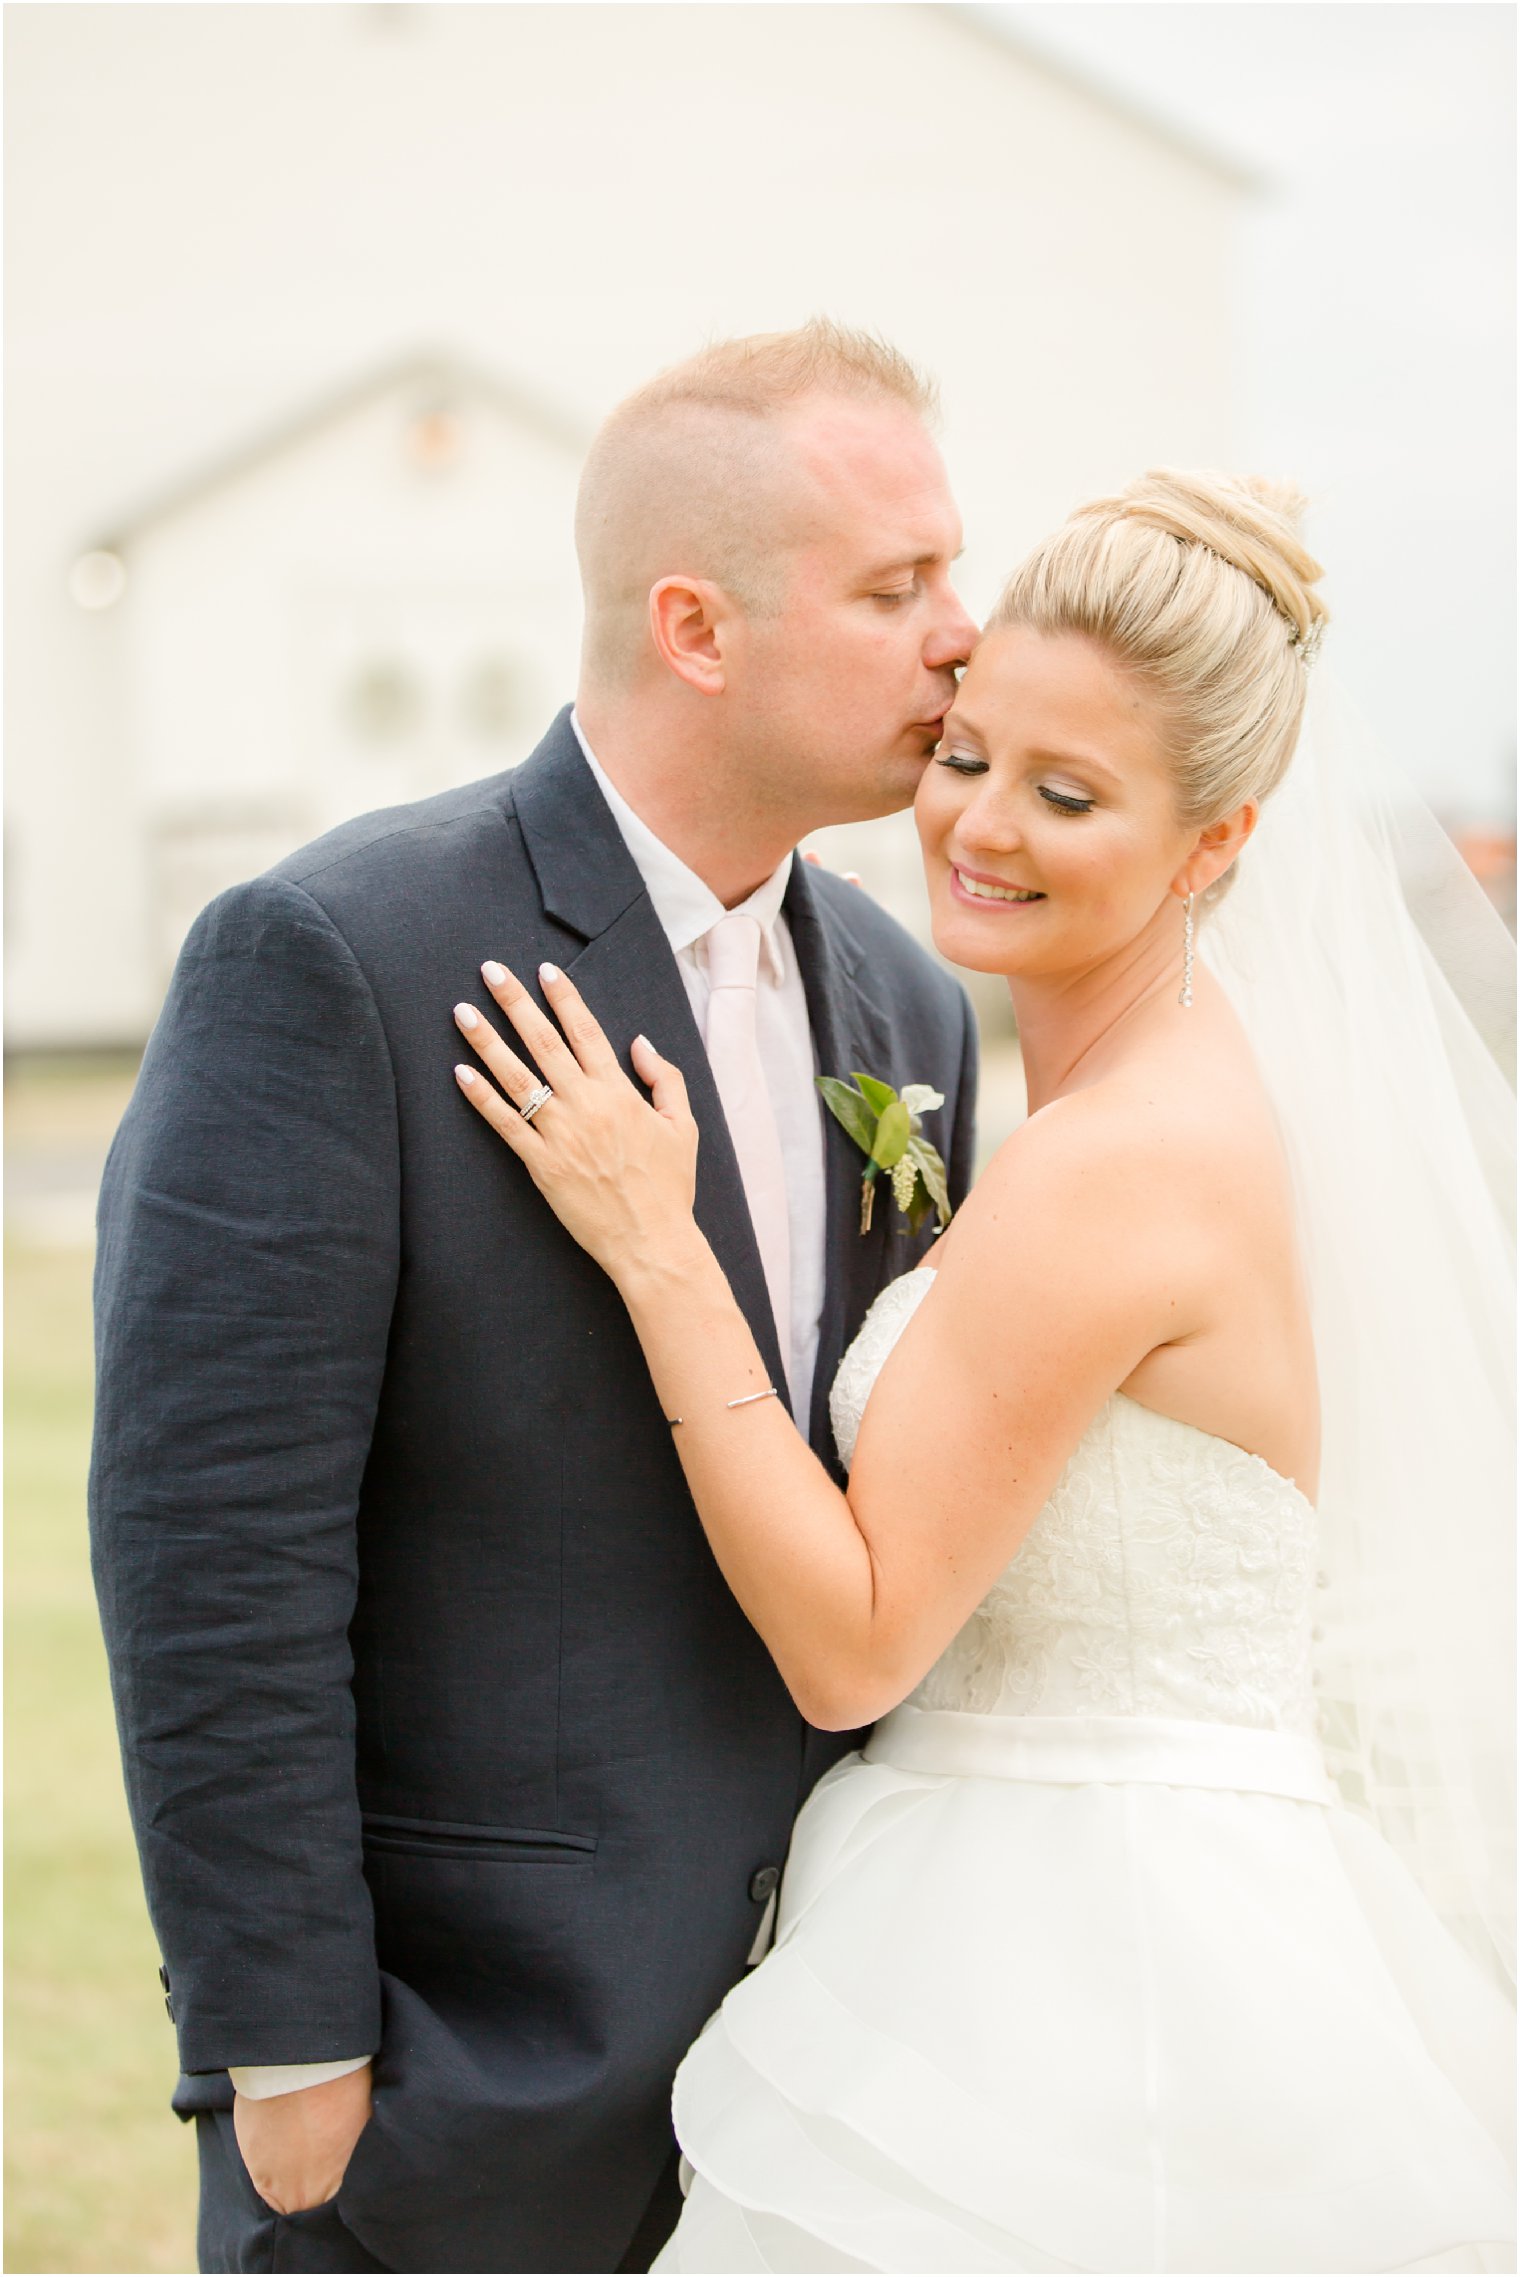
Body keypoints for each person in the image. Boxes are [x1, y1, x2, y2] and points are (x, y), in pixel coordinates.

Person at [448, 470, 1516, 2272]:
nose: (980, 825)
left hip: (1091, 1977)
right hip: (1094, 1891)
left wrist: (658, 1246)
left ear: (1218, 840)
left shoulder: (1123, 1164)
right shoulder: (1143, 1097)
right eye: (970, 757)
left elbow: (859, 1637)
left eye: (1068, 793)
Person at [88, 321, 981, 2274]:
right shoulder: (337, 953)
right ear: (696, 625)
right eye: (898, 585)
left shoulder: (908, 1015)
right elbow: (211, 1542)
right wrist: (289, 2036)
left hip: (836, 2070)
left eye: (954, 578)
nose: (960, 637)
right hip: (462, 2082)